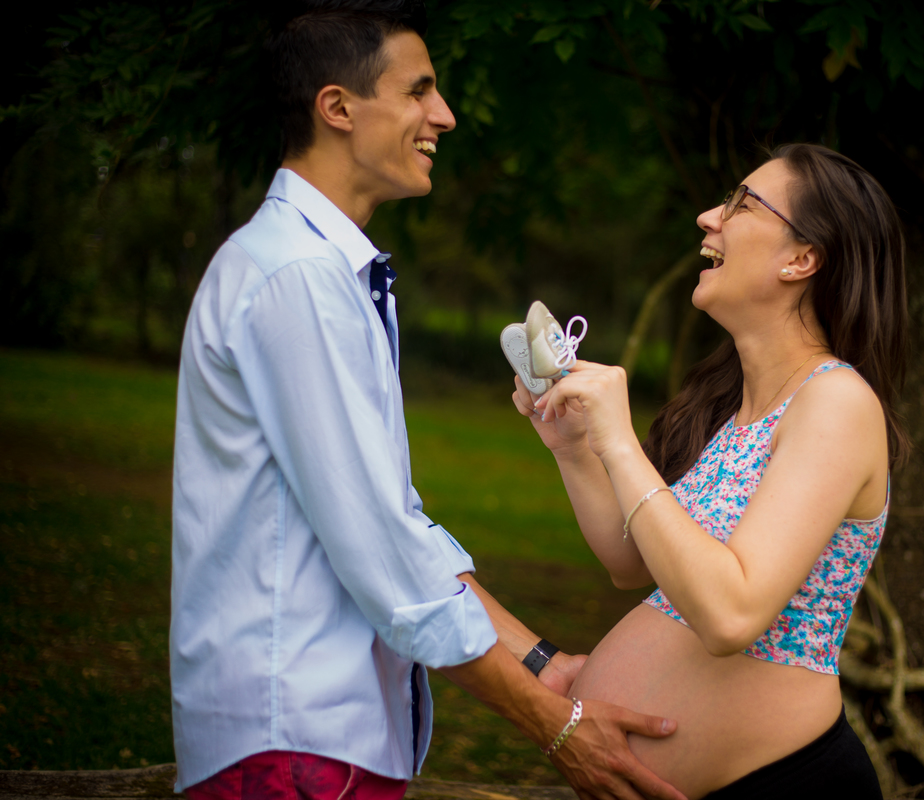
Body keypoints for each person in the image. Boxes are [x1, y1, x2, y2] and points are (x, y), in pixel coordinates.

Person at [169, 3, 687, 799]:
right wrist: (556, 726)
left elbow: (398, 527)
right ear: (337, 108)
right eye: (419, 91)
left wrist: (543, 664)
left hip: (323, 741)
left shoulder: (330, 271)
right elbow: (383, 554)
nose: (443, 116)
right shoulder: (297, 278)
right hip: (292, 742)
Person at [512, 143, 907, 799]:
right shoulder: (739, 413)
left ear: (802, 259)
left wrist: (619, 442)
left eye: (741, 205)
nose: (707, 218)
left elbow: (729, 615)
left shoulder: (835, 402)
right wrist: (575, 444)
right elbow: (632, 560)